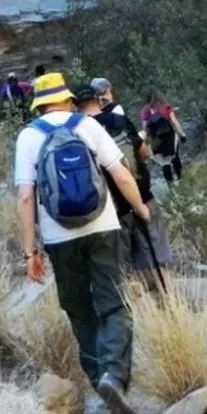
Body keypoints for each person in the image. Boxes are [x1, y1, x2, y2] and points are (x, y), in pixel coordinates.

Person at [15, 73, 150, 414]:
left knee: (79, 309)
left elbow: (26, 197)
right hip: (103, 227)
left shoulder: (29, 136)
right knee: (114, 304)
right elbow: (121, 175)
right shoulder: (87, 125)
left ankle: (98, 376)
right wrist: (141, 210)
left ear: (39, 104)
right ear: (68, 98)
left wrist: (31, 252)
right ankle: (114, 377)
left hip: (59, 238)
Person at [77, 85, 173, 291]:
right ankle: (171, 305)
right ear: (100, 100)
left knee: (126, 269)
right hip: (142, 196)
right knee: (158, 256)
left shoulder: (80, 133)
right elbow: (144, 154)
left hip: (111, 209)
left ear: (77, 107)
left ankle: (138, 313)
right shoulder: (119, 121)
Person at [139, 91, 187, 184]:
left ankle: (171, 186)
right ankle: (181, 179)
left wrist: (148, 147)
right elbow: (174, 122)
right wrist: (182, 135)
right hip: (170, 138)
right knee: (175, 157)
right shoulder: (165, 107)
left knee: (165, 163)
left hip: (156, 142)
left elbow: (145, 129)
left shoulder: (144, 111)